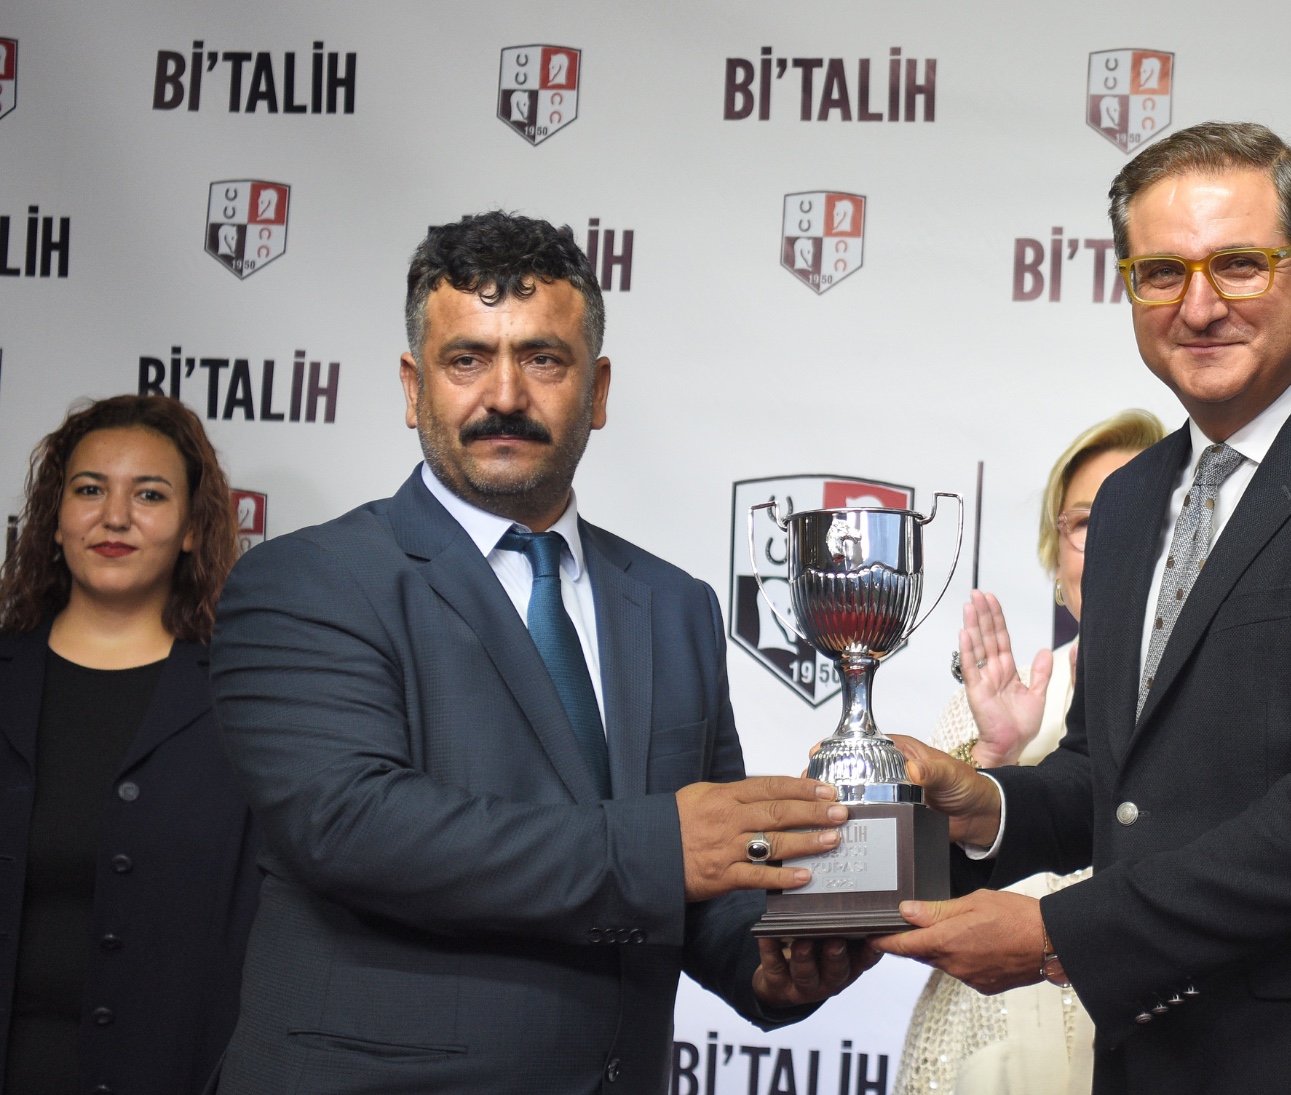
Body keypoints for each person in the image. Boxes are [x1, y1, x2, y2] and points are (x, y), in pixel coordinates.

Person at [876, 121, 1291, 1093]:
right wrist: (986, 805)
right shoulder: (1134, 500)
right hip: (1152, 1059)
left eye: (1241, 265)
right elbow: (1114, 778)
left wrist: (1058, 934)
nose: (1200, 306)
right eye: (1161, 273)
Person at [208, 213, 874, 1095]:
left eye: (543, 359)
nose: (505, 395)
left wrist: (771, 963)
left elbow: (709, 872)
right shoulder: (308, 580)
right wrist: (663, 846)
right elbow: (352, 825)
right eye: (466, 359)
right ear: (412, 386)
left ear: (597, 390)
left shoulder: (674, 605)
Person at [895, 411, 1163, 1095]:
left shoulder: (1214, 699)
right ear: (1056, 553)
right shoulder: (993, 698)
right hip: (985, 1050)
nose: (1111, 541)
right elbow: (914, 894)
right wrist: (994, 755)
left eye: (1140, 515)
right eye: (1086, 522)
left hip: (1146, 1037)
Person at [0, 395, 259, 1095]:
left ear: (192, 528)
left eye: (149, 494)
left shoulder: (243, 702)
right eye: (89, 490)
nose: (115, 517)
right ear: (55, 519)